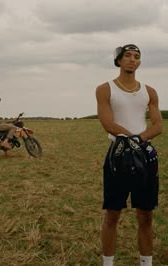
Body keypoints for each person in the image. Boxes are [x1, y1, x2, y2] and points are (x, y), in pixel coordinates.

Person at [95, 44, 163, 266]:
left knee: (146, 215)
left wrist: (139, 141)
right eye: (128, 56)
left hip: (144, 158)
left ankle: (146, 263)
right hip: (117, 157)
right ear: (119, 61)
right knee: (112, 214)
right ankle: (108, 263)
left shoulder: (149, 91)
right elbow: (108, 123)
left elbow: (158, 125)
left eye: (137, 57)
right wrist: (131, 140)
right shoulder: (105, 89)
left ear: (140, 62)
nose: (132, 60)